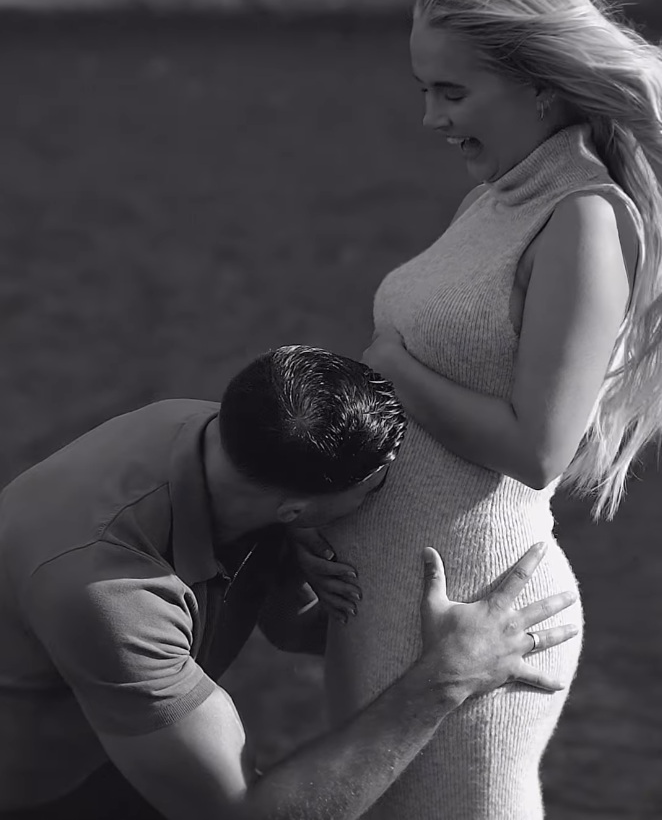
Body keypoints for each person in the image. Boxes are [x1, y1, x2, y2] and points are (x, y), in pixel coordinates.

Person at [307, 0, 662, 820]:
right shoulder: (496, 199)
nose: (431, 119)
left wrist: (393, 368)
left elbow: (539, 449)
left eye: (452, 93)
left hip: (478, 618)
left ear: (542, 86)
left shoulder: (581, 218)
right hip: (386, 610)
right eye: (424, 90)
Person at [0, 345, 578, 820]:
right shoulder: (113, 595)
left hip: (109, 741)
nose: (377, 505)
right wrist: (447, 676)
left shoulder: (215, 437)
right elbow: (242, 814)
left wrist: (283, 554)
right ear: (296, 509)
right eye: (375, 492)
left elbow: (293, 627)